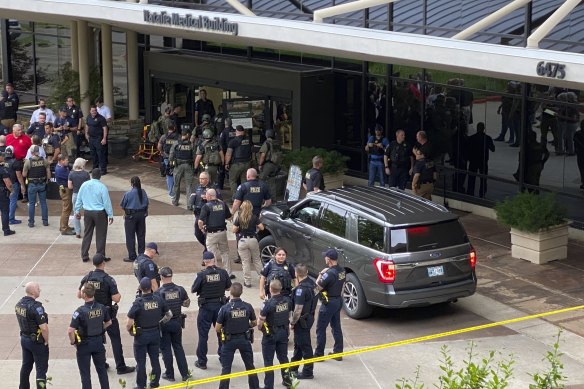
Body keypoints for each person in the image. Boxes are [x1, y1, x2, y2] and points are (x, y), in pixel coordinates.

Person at [78, 253, 135, 375]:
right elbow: (116, 298)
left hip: (91, 314)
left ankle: (102, 363)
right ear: (103, 263)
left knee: (97, 338)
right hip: (107, 314)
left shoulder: (88, 277)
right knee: (115, 340)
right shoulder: (108, 279)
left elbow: (79, 294)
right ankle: (120, 366)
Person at [127, 277, 173, 389]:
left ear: (141, 288)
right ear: (151, 288)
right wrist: (160, 323)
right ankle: (154, 383)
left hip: (141, 335)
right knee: (155, 360)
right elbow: (169, 314)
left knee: (141, 362)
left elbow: (129, 323)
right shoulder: (158, 299)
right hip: (155, 333)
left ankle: (141, 385)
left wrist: (130, 331)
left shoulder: (138, 302)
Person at [191, 251, 232, 370]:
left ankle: (202, 361)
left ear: (204, 261)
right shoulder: (223, 272)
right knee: (221, 333)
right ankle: (223, 358)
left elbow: (194, 289)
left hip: (206, 307)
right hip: (220, 306)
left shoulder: (201, 275)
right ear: (214, 260)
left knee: (203, 335)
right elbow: (229, 287)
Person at [215, 282, 260, 389]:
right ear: (241, 292)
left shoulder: (225, 308)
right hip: (244, 339)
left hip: (229, 341)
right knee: (250, 367)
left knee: (226, 369)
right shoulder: (247, 306)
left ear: (230, 292)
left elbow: (217, 328)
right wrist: (246, 325)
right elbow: (254, 322)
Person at [68, 283, 111, 389]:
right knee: (102, 371)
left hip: (84, 344)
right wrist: (101, 330)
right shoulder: (101, 308)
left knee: (85, 374)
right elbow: (109, 322)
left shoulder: (79, 312)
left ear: (84, 295)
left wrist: (73, 342)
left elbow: (70, 330)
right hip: (98, 342)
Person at [156, 266, 191, 382]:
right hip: (177, 322)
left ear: (161, 277)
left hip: (164, 323)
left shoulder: (158, 293)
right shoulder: (180, 289)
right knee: (178, 347)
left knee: (166, 349)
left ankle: (169, 374)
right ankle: (185, 374)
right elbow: (186, 304)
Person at [258, 280, 293, 389]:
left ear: (270, 289)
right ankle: (289, 381)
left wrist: (261, 329)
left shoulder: (267, 304)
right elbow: (289, 313)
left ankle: (268, 386)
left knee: (268, 361)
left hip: (270, 335)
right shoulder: (287, 300)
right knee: (283, 358)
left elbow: (260, 322)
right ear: (280, 289)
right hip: (283, 332)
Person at [74, 168, 114, 262]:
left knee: (87, 233)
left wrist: (77, 211)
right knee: (101, 235)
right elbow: (106, 203)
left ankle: (84, 255)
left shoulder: (84, 185)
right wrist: (110, 215)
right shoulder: (102, 187)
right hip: (100, 213)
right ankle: (100, 256)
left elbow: (79, 199)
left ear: (92, 175)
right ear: (100, 176)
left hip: (87, 212)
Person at [15, 282, 49, 389]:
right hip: (36, 342)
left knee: (26, 366)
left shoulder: (19, 304)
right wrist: (46, 340)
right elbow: (43, 328)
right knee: (41, 369)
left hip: (25, 339)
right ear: (33, 291)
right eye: (38, 288)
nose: (40, 290)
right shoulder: (36, 307)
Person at [314, 249, 346, 361]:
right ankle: (338, 353)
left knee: (320, 329)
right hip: (338, 300)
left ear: (329, 259)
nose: (324, 259)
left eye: (325, 257)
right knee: (336, 327)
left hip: (329, 303)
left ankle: (319, 355)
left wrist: (321, 274)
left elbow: (316, 288)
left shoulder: (328, 274)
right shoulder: (342, 270)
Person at [289, 263, 317, 380]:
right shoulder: (312, 284)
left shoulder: (300, 289)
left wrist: (292, 322)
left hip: (301, 321)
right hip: (309, 317)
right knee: (299, 343)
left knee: (305, 345)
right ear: (306, 273)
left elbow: (298, 309)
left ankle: (308, 371)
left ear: (296, 273)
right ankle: (293, 367)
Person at [198, 188, 233, 277]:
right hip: (222, 232)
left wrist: (201, 228)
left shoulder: (206, 206)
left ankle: (216, 273)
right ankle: (228, 273)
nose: (205, 196)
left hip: (211, 234)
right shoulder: (223, 204)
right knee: (225, 252)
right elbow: (229, 217)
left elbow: (200, 221)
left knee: (212, 254)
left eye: (206, 195)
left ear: (209, 196)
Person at [232, 200, 264, 288]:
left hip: (242, 240)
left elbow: (233, 230)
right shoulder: (254, 217)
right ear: (251, 208)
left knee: (245, 262)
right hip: (253, 239)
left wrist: (239, 228)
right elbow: (262, 228)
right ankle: (262, 278)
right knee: (257, 260)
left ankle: (247, 282)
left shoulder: (239, 217)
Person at [189, 171, 221, 252]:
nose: (200, 180)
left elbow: (220, 201)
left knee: (207, 234)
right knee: (197, 233)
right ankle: (208, 246)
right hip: (198, 214)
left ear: (207, 179)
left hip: (209, 214)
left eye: (202, 179)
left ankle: (207, 252)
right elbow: (192, 198)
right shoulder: (196, 187)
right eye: (200, 178)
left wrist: (208, 199)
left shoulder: (213, 187)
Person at [120, 176, 149, 262]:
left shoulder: (128, 194)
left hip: (131, 216)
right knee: (141, 235)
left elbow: (123, 205)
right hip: (141, 216)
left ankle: (132, 256)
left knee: (130, 236)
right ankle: (141, 255)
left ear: (132, 184)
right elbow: (147, 203)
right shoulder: (143, 192)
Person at [23, 146, 50, 228]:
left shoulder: (28, 162)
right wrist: (46, 181)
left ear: (31, 152)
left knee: (31, 203)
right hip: (42, 184)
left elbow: (24, 174)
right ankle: (45, 221)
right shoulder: (44, 161)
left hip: (32, 184)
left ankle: (31, 222)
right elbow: (48, 174)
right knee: (43, 203)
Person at [466, 122, 495, 198]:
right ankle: (481, 194)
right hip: (483, 161)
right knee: (483, 179)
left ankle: (470, 192)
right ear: (483, 129)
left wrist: (468, 158)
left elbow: (467, 149)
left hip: (473, 161)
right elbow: (493, 149)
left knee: (472, 178)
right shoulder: (487, 138)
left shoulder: (472, 138)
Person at [169, 128, 196, 207]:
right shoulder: (191, 144)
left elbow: (171, 155)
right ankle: (189, 204)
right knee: (189, 186)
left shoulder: (176, 143)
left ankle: (175, 201)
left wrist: (171, 164)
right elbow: (194, 156)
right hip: (188, 166)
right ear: (187, 135)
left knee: (176, 184)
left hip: (178, 166)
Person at [6, 124, 31, 204]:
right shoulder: (8, 137)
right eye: (18, 130)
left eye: (21, 130)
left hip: (22, 161)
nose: (21, 131)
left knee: (23, 179)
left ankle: (25, 195)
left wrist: (27, 158)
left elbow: (31, 149)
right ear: (14, 131)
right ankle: (17, 195)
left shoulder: (26, 138)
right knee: (14, 179)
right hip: (11, 162)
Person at [224, 125, 252, 192]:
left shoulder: (233, 141)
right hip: (247, 163)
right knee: (244, 181)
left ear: (236, 131)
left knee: (233, 180)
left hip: (236, 164)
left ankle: (236, 197)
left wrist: (226, 163)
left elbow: (228, 154)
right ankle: (245, 196)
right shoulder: (248, 140)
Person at [68, 158, 90, 239]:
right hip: (85, 195)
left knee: (76, 213)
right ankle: (88, 230)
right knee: (87, 213)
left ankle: (78, 232)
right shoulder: (86, 174)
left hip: (75, 194)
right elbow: (89, 186)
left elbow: (70, 186)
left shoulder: (71, 174)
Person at [54, 154, 75, 234]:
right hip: (65, 190)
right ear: (61, 161)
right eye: (66, 160)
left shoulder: (62, 167)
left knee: (66, 208)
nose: (67, 161)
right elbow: (70, 176)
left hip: (65, 189)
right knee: (66, 209)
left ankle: (64, 226)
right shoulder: (60, 170)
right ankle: (64, 228)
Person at [157, 122, 179, 197]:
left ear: (167, 128)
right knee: (176, 173)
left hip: (167, 158)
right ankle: (175, 190)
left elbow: (159, 146)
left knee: (169, 175)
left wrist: (162, 152)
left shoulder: (164, 136)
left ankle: (171, 192)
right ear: (174, 128)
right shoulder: (178, 136)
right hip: (176, 158)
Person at [85, 105, 108, 174]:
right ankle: (95, 169)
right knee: (93, 154)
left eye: (95, 110)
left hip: (99, 138)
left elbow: (105, 128)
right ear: (90, 111)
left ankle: (103, 170)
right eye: (92, 111)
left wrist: (104, 138)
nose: (94, 112)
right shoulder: (88, 117)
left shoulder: (101, 118)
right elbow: (87, 126)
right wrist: (86, 134)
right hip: (91, 138)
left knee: (100, 154)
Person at [218, 117, 236, 189]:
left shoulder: (224, 132)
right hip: (234, 154)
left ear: (225, 123)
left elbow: (220, 143)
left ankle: (220, 186)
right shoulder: (234, 131)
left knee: (222, 170)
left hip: (226, 153)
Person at [0, 149, 15, 236]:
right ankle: (6, 230)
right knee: (5, 211)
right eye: (1, 156)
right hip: (2, 192)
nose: (3, 157)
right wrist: (12, 191)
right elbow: (7, 182)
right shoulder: (2, 169)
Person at [574, 120, 584, 190]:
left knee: (582, 169)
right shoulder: (578, 134)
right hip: (580, 154)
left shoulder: (578, 134)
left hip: (581, 155)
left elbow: (576, 144)